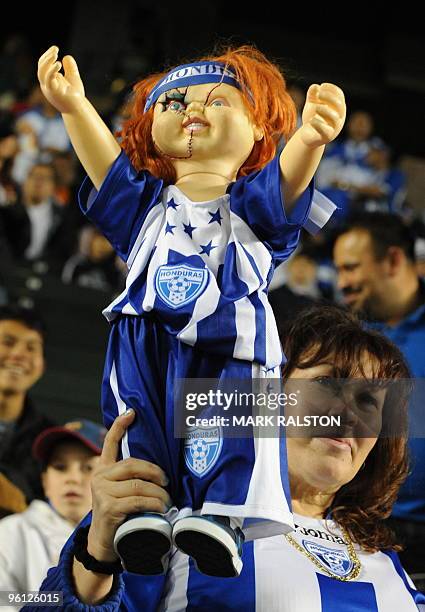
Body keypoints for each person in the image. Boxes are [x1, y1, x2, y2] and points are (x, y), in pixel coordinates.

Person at [37, 43, 345, 577]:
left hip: (230, 338)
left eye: (218, 101)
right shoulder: (143, 208)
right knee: (140, 420)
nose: (191, 111)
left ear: (257, 130)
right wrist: (74, 108)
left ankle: (220, 517)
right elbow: (105, 167)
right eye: (173, 102)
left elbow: (288, 182)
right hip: (145, 333)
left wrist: (311, 140)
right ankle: (142, 517)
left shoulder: (251, 205)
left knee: (228, 426)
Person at [29, 305, 425, 610]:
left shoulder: (385, 558)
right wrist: (98, 553)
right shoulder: (182, 516)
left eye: (370, 400)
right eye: (327, 382)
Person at [333, 212, 425, 585]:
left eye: (351, 268)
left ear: (393, 260)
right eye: (338, 270)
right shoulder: (342, 341)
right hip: (363, 527)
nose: (343, 283)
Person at [0, 419, 105, 608]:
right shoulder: (12, 531)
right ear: (45, 481)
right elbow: (3, 599)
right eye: (60, 467)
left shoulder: (124, 538)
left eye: (88, 468)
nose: (73, 479)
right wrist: (57, 600)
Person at [0, 304, 53, 502]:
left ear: (42, 366)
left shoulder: (51, 441)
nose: (19, 355)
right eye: (8, 342)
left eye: (31, 348)